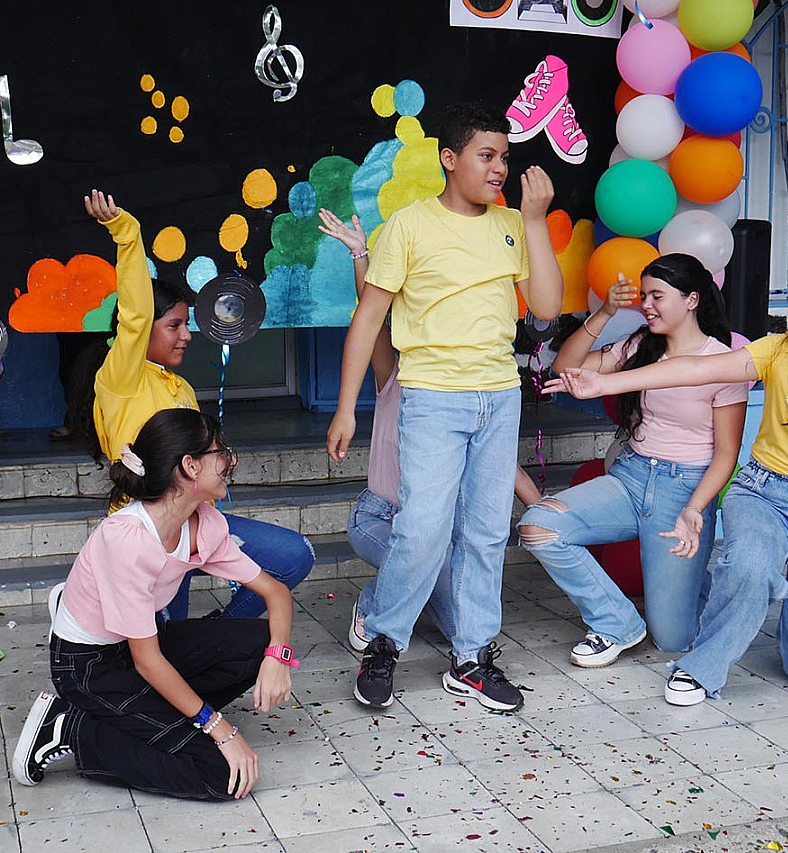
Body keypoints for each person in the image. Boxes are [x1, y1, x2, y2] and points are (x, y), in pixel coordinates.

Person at [545, 255, 788, 706]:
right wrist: (604, 384)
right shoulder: (781, 350)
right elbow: (694, 369)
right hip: (764, 493)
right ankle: (701, 669)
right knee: (750, 567)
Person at [327, 102, 564, 712]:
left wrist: (535, 223)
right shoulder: (408, 226)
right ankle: (384, 643)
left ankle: (472, 658)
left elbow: (545, 308)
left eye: (504, 157)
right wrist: (346, 408)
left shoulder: (511, 223)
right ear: (450, 159)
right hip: (432, 397)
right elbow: (368, 319)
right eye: (487, 156)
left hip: (499, 396)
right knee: (422, 528)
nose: (499, 168)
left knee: (485, 532)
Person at [10, 408, 296, 800]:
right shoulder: (127, 539)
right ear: (190, 466)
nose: (231, 461)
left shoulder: (206, 524)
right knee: (219, 775)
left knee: (259, 643)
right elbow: (148, 662)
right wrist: (220, 729)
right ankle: (72, 727)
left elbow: (276, 592)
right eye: (221, 452)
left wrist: (278, 656)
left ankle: (149, 718)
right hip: (89, 666)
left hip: (140, 646)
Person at [77, 190, 313, 619]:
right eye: (174, 325)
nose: (186, 335)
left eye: (186, 324)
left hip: (196, 522)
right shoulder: (120, 378)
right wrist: (127, 233)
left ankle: (219, 630)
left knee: (294, 555)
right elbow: (134, 313)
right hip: (150, 532)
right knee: (163, 642)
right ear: (142, 331)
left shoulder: (181, 386)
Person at [315, 207, 542, 653]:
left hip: (439, 526)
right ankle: (375, 604)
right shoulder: (396, 377)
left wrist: (541, 507)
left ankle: (415, 604)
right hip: (380, 516)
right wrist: (361, 255)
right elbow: (372, 316)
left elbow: (500, 466)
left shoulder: (469, 391)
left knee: (460, 619)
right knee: (424, 552)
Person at [518, 254, 746, 667]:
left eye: (658, 296)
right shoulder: (642, 345)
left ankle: (709, 590)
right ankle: (617, 623)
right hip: (630, 476)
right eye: (644, 296)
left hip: (682, 490)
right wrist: (605, 311)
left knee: (673, 639)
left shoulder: (724, 361)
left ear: (692, 299)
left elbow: (726, 454)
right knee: (539, 526)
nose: (647, 305)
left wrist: (695, 508)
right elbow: (566, 368)